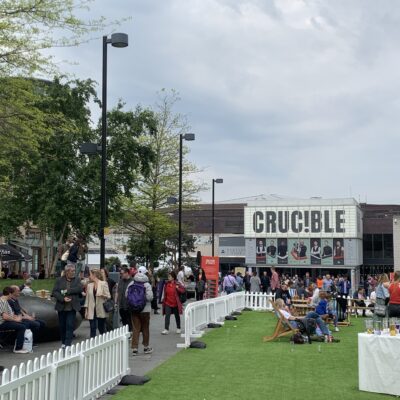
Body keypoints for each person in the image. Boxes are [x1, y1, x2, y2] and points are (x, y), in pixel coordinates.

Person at [52, 264, 83, 348]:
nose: (73, 272)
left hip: (72, 307)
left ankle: (68, 344)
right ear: (66, 272)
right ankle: (63, 342)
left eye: (74, 271)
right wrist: (63, 298)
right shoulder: (59, 280)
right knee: (62, 326)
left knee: (70, 325)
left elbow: (79, 289)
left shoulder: (77, 280)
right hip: (61, 306)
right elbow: (54, 292)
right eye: (72, 271)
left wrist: (67, 291)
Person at [126, 266, 153, 355]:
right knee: (145, 328)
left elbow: (127, 295)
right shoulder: (147, 284)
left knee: (135, 329)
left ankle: (134, 348)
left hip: (134, 309)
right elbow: (150, 297)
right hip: (145, 310)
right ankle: (146, 347)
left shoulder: (132, 283)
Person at [84, 269, 111, 338]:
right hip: (91, 309)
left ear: (94, 275)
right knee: (92, 327)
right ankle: (92, 344)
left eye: (90, 274)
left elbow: (108, 296)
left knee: (101, 327)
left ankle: (103, 341)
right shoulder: (89, 285)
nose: (89, 276)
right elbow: (87, 299)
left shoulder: (103, 283)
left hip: (101, 309)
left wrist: (102, 295)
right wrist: (86, 310)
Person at [0, 287, 28, 353]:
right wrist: (16, 320)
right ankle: (18, 348)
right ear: (9, 294)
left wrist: (17, 317)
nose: (12, 296)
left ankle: (19, 344)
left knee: (23, 324)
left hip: (5, 321)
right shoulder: (2, 302)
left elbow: (9, 314)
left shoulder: (5, 301)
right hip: (2, 323)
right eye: (12, 294)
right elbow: (5, 317)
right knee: (22, 327)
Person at [117, 266, 133, 331]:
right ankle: (127, 335)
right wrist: (116, 302)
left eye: (122, 273)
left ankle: (131, 335)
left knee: (130, 322)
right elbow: (117, 292)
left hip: (129, 306)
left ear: (127, 273)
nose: (121, 275)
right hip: (121, 306)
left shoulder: (132, 281)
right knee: (124, 322)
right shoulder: (120, 281)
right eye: (120, 273)